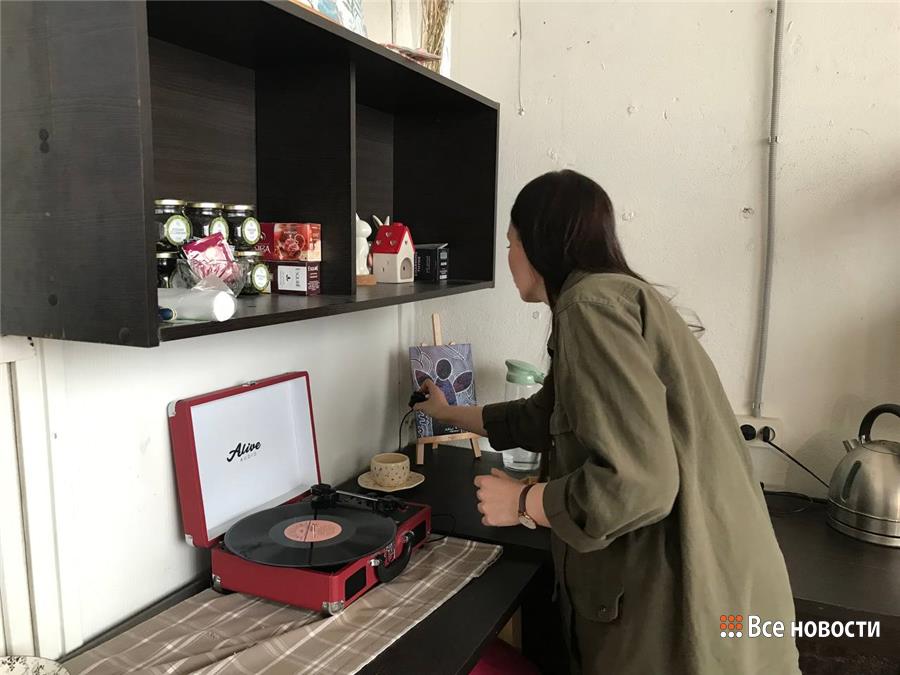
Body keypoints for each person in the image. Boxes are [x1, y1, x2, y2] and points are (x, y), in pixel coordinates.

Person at [414, 170, 800, 674]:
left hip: (682, 593)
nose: (508, 258)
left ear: (539, 243)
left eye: (510, 243)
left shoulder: (588, 307)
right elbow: (541, 417)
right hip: (732, 580)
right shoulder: (614, 297)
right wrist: (447, 411)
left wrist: (525, 503)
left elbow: (639, 483)